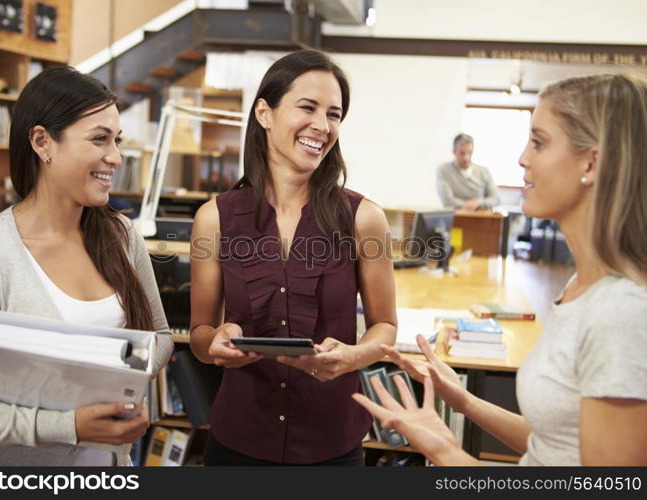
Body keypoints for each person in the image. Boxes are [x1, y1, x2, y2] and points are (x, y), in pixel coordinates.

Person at [354, 73, 647, 466]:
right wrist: (462, 400)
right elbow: (555, 445)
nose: (522, 158)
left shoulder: (619, 311)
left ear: (591, 162)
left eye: (539, 143)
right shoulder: (582, 286)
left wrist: (444, 451)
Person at [0, 67, 174, 466]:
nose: (115, 157)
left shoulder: (122, 236)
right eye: (99, 139)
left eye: (116, 140)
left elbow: (159, 336)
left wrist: (123, 384)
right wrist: (69, 424)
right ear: (42, 142)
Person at [190, 49, 397, 465]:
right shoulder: (214, 218)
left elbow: (385, 327)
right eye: (308, 107)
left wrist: (352, 357)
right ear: (264, 113)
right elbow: (198, 336)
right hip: (238, 445)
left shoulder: (364, 218)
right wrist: (217, 342)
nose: (322, 126)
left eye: (334, 114)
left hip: (331, 448)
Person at [435, 133, 500, 210]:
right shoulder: (444, 170)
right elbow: (447, 200)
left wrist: (478, 203)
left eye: (470, 153)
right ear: (454, 152)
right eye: (462, 153)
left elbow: (496, 199)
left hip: (481, 217)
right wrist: (470, 205)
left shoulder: (484, 171)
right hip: (456, 217)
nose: (466, 158)